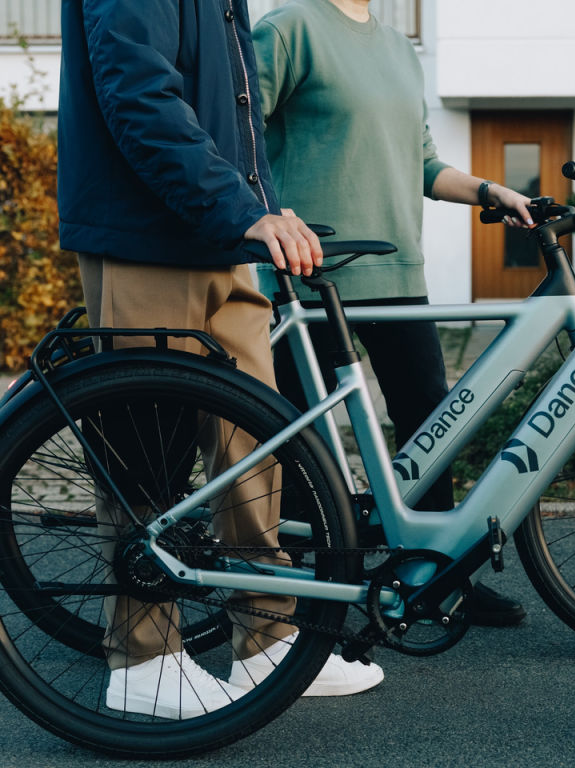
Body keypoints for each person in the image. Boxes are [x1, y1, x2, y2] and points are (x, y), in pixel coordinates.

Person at [57, 0, 383, 717]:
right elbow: (138, 93)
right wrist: (238, 210)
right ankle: (143, 661)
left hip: (217, 233)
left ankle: (265, 638)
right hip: (145, 232)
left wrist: (258, 207)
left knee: (255, 445)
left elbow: (232, 114)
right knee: (148, 450)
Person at [251, 0, 532, 628]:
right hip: (311, 277)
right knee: (309, 446)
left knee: (432, 422)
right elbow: (236, 139)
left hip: (398, 271)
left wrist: (491, 192)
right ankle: (306, 600)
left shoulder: (399, 49)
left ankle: (434, 577)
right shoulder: (288, 29)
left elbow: (424, 161)